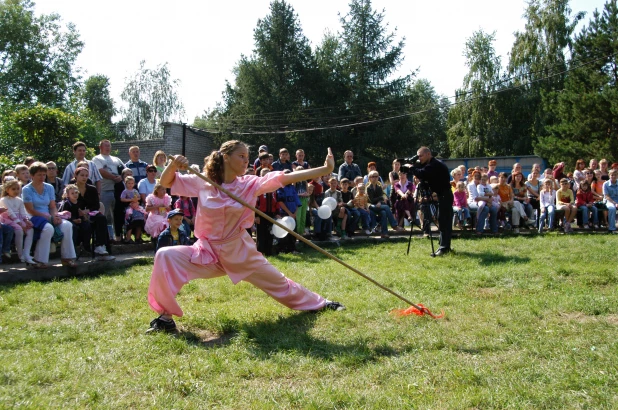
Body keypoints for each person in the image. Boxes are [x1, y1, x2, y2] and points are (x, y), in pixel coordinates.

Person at [146, 141, 345, 333]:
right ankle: (165, 318)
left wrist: (324, 169)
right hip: (207, 253)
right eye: (241, 156)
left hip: (241, 253)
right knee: (165, 255)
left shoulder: (249, 183)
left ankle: (321, 304)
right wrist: (174, 164)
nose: (245, 161)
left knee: (281, 284)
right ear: (225, 157)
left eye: (247, 158)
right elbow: (166, 181)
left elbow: (285, 178)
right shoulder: (204, 181)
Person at [22, 162, 76, 268]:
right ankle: (40, 260)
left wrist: (55, 216)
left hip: (48, 215)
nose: (42, 177)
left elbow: (52, 206)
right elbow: (30, 209)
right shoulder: (26, 189)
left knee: (67, 225)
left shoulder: (49, 187)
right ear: (32, 175)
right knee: (48, 228)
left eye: (43, 174)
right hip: (33, 217)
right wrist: (48, 217)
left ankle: (67, 258)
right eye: (39, 175)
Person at [72, 167, 113, 259]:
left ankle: (100, 245)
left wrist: (87, 211)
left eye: (86, 176)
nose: (84, 177)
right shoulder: (71, 189)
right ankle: (83, 247)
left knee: (101, 218)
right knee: (84, 224)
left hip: (90, 213)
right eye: (82, 175)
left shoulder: (92, 189)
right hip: (77, 215)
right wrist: (79, 212)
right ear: (76, 176)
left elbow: (96, 205)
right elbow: (68, 203)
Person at [92, 139, 125, 239]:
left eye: (109, 145)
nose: (107, 147)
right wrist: (114, 177)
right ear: (100, 147)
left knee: (117, 214)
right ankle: (101, 238)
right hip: (104, 190)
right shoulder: (97, 159)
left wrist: (122, 176)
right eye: (105, 145)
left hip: (117, 190)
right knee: (103, 215)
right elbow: (100, 171)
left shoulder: (116, 159)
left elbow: (125, 170)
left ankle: (117, 237)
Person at [0, 179, 33, 263]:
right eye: (13, 189)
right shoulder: (3, 200)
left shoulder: (19, 200)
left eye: (17, 188)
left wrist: (26, 220)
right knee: (19, 230)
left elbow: (22, 211)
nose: (16, 191)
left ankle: (27, 253)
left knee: (30, 229)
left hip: (18, 218)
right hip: (8, 219)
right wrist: (20, 223)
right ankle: (20, 254)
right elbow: (10, 213)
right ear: (7, 190)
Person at [603, 169, 618, 234]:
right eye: (612, 175)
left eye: (615, 175)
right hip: (609, 200)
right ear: (609, 176)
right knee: (612, 208)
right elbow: (607, 196)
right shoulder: (605, 184)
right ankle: (612, 228)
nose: (613, 176)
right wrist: (615, 203)